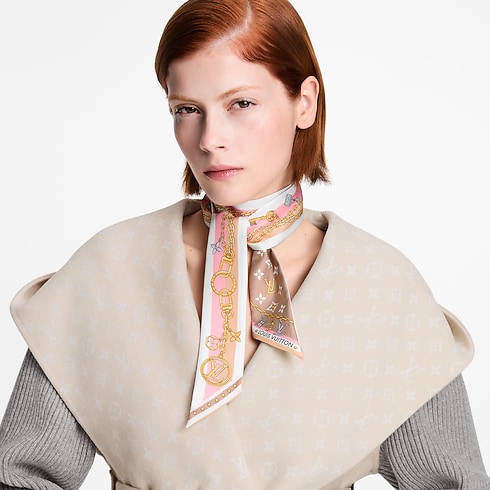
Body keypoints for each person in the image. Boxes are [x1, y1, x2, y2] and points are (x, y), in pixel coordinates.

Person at [0, 0, 489, 488]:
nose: (210, 139)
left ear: (305, 102)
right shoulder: (108, 271)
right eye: (187, 109)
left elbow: (452, 481)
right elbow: (18, 475)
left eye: (241, 103)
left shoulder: (383, 288)